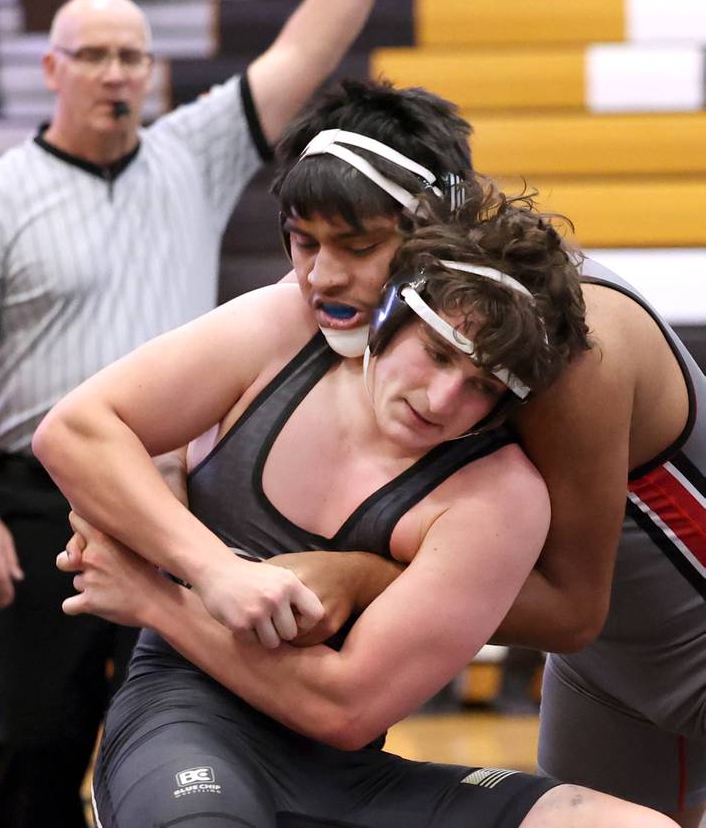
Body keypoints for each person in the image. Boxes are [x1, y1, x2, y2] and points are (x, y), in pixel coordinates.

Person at [0, 0, 424, 828]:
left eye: (132, 55)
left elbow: (301, 58)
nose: (116, 72)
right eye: (94, 55)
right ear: (52, 67)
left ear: (153, 69)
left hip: (184, 496)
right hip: (37, 498)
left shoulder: (191, 152)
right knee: (37, 740)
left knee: (199, 724)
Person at [37, 177, 671, 827]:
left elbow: (346, 710)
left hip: (349, 772)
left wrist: (155, 597)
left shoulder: (500, 495)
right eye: (437, 353)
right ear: (392, 313)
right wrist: (213, 569)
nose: (442, 399)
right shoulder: (280, 333)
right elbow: (74, 429)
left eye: (481, 384)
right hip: (184, 726)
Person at [263, 79, 706, 828]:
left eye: (359, 243)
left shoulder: (566, 341)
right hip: (612, 673)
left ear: (437, 224)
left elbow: (570, 606)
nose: (321, 274)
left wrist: (361, 576)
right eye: (305, 240)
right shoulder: (373, 301)